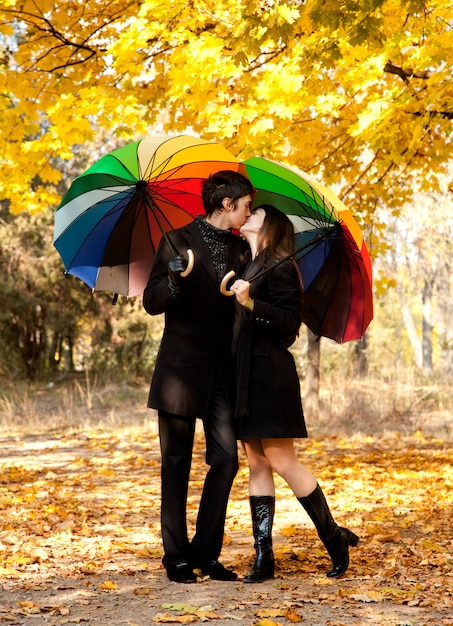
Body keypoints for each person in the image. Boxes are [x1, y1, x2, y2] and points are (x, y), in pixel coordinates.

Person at [229, 204, 359, 582]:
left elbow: (289, 326)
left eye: (255, 214)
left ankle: (334, 540)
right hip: (246, 376)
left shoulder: (282, 266)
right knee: (257, 464)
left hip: (270, 374)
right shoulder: (252, 266)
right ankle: (263, 557)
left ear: (269, 226)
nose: (248, 216)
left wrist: (251, 302)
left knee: (283, 461)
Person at [142, 170, 253, 584]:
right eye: (245, 205)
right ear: (227, 203)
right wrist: (173, 277)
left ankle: (206, 553)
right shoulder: (175, 240)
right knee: (175, 463)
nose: (248, 212)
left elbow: (244, 308)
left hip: (222, 372)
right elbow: (152, 303)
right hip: (180, 370)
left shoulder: (242, 248)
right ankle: (177, 557)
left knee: (225, 461)